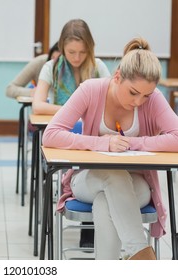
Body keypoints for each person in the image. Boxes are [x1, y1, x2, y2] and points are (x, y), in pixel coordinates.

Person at [42, 37, 178, 259]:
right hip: (88, 179)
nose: (139, 102)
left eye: (145, 96)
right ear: (117, 77)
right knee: (113, 177)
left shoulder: (153, 99)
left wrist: (132, 142)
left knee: (106, 203)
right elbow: (51, 135)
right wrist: (102, 142)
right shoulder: (91, 90)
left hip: (137, 185)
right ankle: (141, 255)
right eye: (133, 92)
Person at [33, 19, 111, 248]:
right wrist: (74, 112)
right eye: (71, 52)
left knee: (100, 174)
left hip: (94, 137)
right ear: (62, 47)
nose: (76, 57)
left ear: (90, 48)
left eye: (82, 52)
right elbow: (38, 105)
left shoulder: (98, 67)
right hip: (64, 136)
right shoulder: (52, 67)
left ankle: (91, 230)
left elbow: (111, 103)